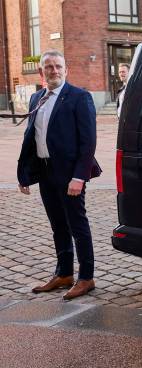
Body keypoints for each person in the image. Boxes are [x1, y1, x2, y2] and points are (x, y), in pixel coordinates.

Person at [17, 49, 100, 300]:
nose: (54, 71)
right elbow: (31, 138)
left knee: (78, 225)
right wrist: (24, 174)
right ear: (42, 72)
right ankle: (64, 273)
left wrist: (79, 177)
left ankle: (86, 277)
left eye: (58, 66)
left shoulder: (79, 97)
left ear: (66, 70)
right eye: (49, 67)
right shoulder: (36, 99)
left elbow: (88, 142)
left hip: (69, 174)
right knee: (58, 226)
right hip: (45, 171)